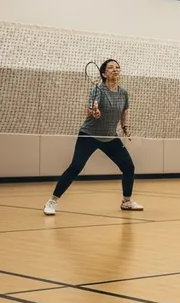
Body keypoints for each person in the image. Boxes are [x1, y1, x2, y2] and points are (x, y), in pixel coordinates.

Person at [43, 59, 143, 215]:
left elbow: (125, 111)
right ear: (104, 73)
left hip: (110, 137)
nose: (115, 70)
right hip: (90, 135)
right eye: (111, 68)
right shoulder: (98, 89)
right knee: (75, 167)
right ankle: (52, 201)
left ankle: (126, 201)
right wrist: (94, 111)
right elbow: (89, 109)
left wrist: (125, 127)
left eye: (117, 67)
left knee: (128, 167)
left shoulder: (123, 93)